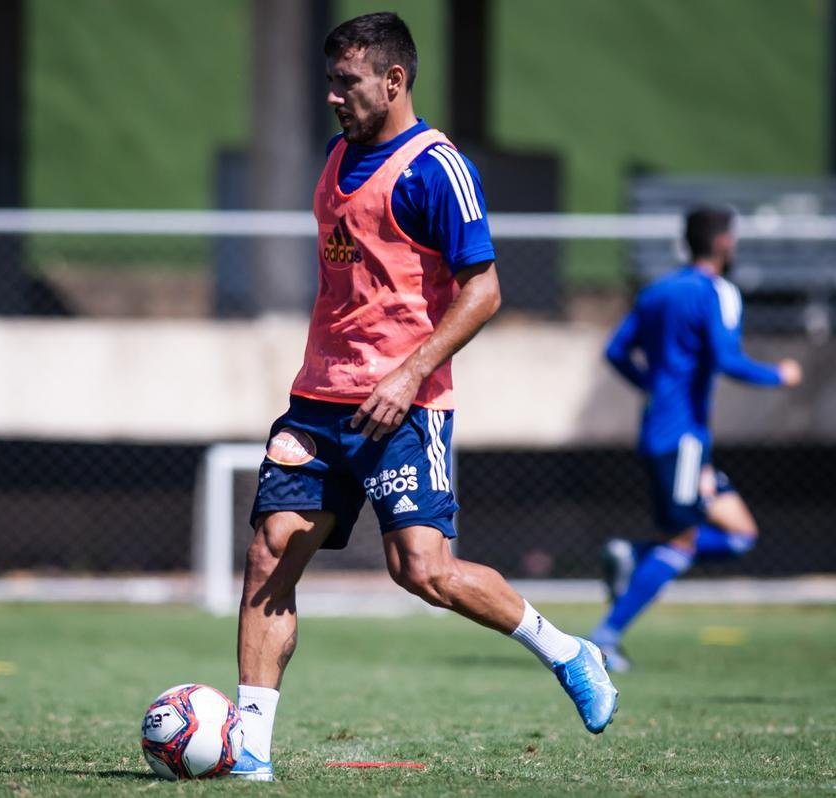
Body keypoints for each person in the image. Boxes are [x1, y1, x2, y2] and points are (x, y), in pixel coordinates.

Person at [230, 12, 617, 782]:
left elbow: (485, 290)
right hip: (319, 401)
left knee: (423, 570)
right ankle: (249, 749)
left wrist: (406, 375)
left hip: (407, 407)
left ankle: (569, 651)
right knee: (272, 551)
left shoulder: (436, 169)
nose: (334, 97)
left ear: (395, 81)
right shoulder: (338, 153)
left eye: (348, 83)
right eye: (330, 81)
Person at [587, 206, 803, 673]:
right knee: (681, 542)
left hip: (670, 434)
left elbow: (616, 351)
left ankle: (634, 556)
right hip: (681, 438)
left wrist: (650, 386)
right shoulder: (717, 292)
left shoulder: (657, 292)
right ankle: (604, 638)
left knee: (741, 534)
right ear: (724, 242)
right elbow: (728, 358)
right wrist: (778, 375)